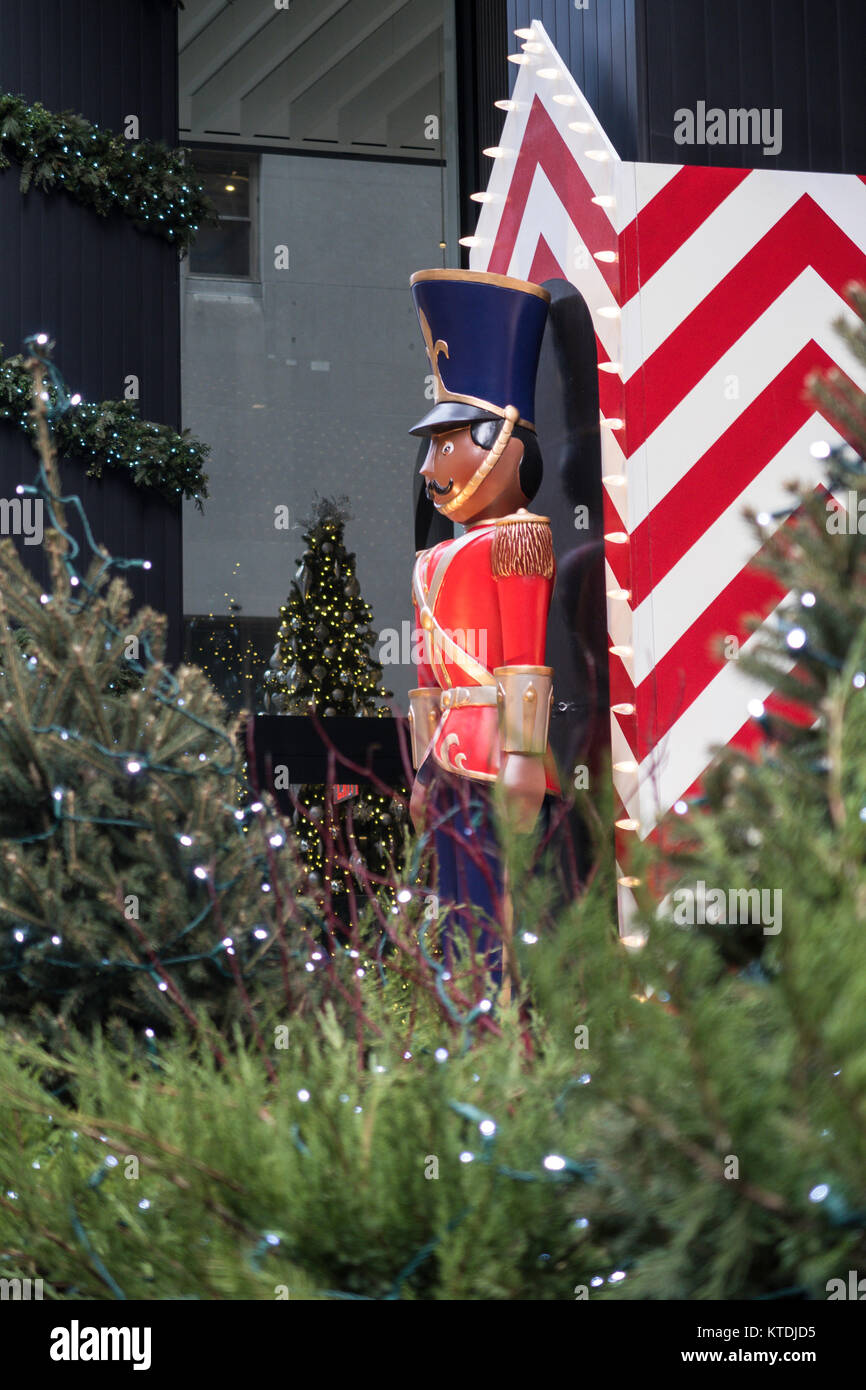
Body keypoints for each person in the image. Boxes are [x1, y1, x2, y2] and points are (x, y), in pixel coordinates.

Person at [405, 269, 558, 981]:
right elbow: (426, 678)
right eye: (430, 449)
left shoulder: (519, 539)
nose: (432, 468)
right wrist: (418, 770)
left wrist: (525, 758)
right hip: (446, 763)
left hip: (500, 759)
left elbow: (525, 662)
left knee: (498, 916)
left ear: (503, 445)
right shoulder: (431, 558)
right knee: (451, 913)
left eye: (448, 445)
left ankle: (500, 1040)